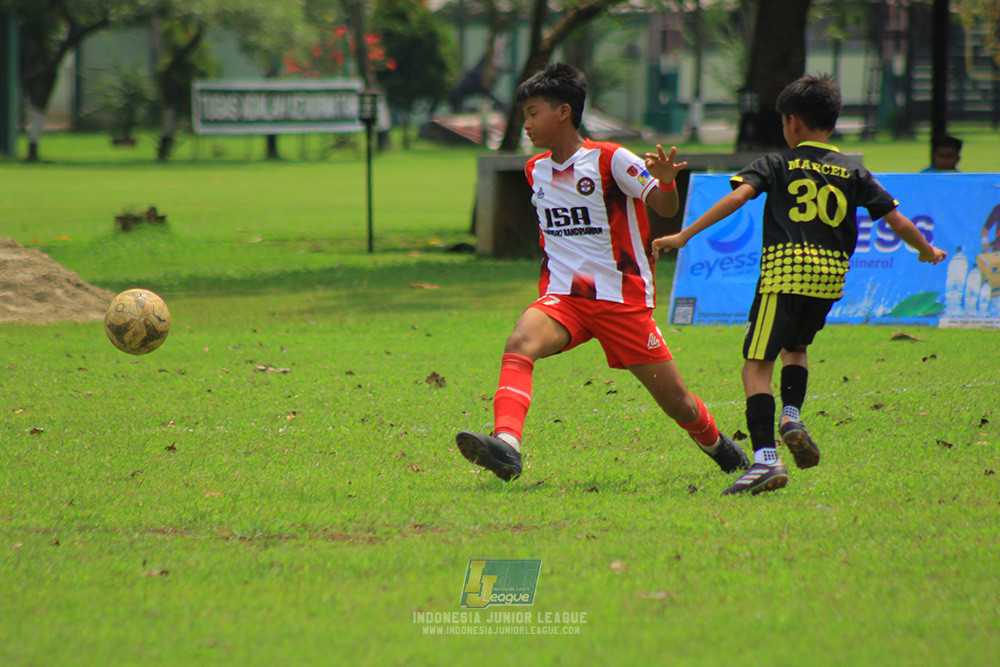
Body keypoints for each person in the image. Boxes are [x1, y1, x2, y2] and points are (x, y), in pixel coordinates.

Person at [652, 74, 947, 496]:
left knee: (755, 367)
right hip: (829, 276)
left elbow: (737, 198)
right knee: (797, 349)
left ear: (791, 123)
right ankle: (791, 415)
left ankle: (764, 461)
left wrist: (684, 235)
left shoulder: (778, 162)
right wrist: (925, 250)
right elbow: (895, 218)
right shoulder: (853, 168)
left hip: (786, 271)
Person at [456, 63, 748, 482]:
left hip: (621, 302)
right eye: (524, 116)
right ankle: (507, 446)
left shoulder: (611, 159)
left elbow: (664, 209)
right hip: (564, 299)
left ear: (563, 112)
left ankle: (721, 449)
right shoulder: (533, 170)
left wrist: (665, 184)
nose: (527, 125)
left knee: (679, 403)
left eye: (533, 113)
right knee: (520, 342)